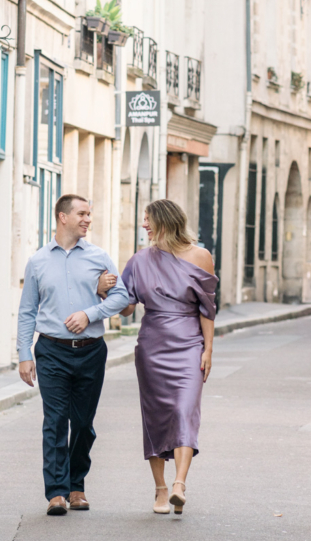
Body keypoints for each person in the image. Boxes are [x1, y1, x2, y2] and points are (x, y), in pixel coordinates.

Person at [17, 193, 130, 516]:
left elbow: (121, 297)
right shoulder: (38, 261)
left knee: (82, 424)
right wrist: (24, 353)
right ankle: (56, 492)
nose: (87, 219)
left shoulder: (99, 257)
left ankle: (77, 485)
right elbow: (27, 311)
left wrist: (90, 313)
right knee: (55, 421)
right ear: (62, 217)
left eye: (89, 214)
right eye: (81, 213)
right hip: (51, 350)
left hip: (91, 352)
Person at [117, 198, 217, 515]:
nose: (144, 225)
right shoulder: (139, 260)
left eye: (148, 219)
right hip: (152, 346)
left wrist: (208, 348)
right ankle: (161, 489)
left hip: (189, 344)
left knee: (185, 410)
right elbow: (128, 307)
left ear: (164, 221)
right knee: (156, 416)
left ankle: (179, 485)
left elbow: (207, 308)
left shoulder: (201, 257)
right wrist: (106, 290)